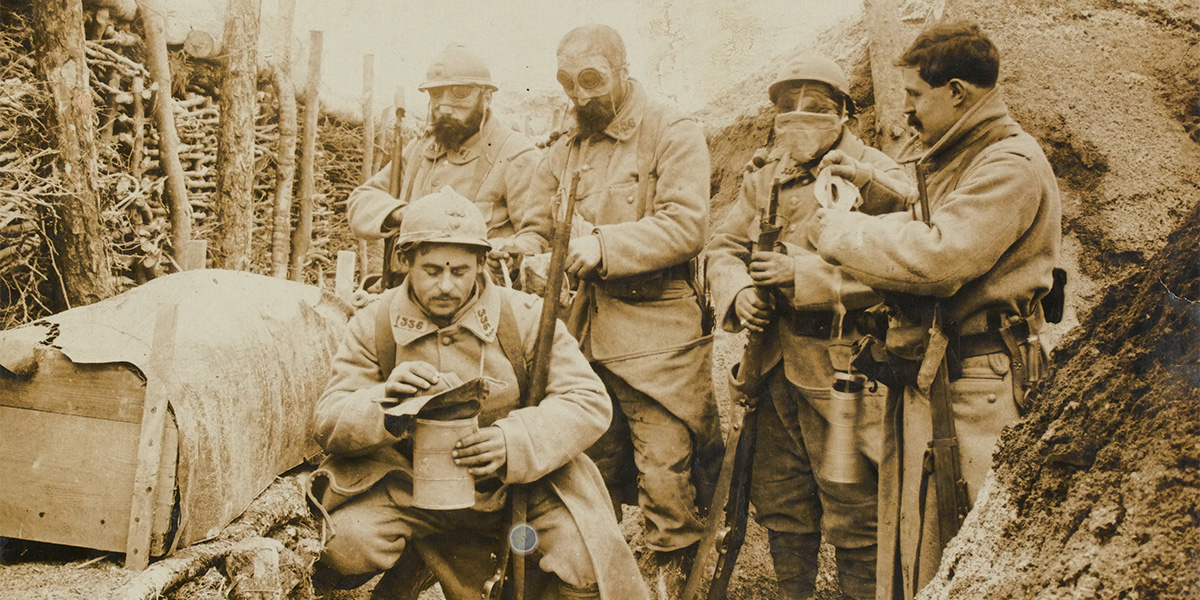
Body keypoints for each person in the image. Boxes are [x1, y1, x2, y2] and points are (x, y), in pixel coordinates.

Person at [807, 21, 1062, 600]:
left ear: (958, 94)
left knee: (963, 547)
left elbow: (944, 253)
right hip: (941, 378)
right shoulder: (971, 153)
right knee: (919, 540)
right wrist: (872, 189)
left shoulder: (1010, 165)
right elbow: (935, 210)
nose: (906, 111)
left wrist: (842, 234)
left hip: (977, 390)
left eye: (915, 96)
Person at [307, 187, 648, 600]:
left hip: (516, 489)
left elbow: (587, 399)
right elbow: (328, 420)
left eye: (460, 271)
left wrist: (514, 441)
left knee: (587, 563)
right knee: (340, 548)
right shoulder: (374, 325)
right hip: (411, 489)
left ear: (481, 263)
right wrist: (383, 403)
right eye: (432, 270)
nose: (447, 285)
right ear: (405, 261)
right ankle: (416, 561)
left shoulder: (524, 318)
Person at [706, 53, 912, 600]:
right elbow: (722, 247)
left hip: (843, 368)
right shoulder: (766, 179)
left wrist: (807, 276)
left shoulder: (882, 178)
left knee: (855, 506)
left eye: (816, 107)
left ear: (844, 113)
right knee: (782, 502)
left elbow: (903, 267)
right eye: (786, 108)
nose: (799, 117)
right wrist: (740, 290)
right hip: (770, 367)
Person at [528, 24, 723, 591]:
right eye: (569, 83)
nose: (580, 95)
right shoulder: (568, 146)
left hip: (656, 336)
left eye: (591, 79)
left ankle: (675, 578)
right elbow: (535, 224)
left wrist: (604, 246)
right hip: (581, 337)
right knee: (587, 476)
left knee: (665, 477)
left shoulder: (671, 129)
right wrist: (534, 251)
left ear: (620, 68)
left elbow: (687, 224)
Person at [347, 43, 548, 285]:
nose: (444, 106)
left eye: (459, 93)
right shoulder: (420, 150)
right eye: (436, 94)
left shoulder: (517, 156)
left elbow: (540, 237)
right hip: (406, 293)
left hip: (476, 301)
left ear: (486, 97)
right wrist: (403, 213)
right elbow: (361, 200)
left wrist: (508, 249)